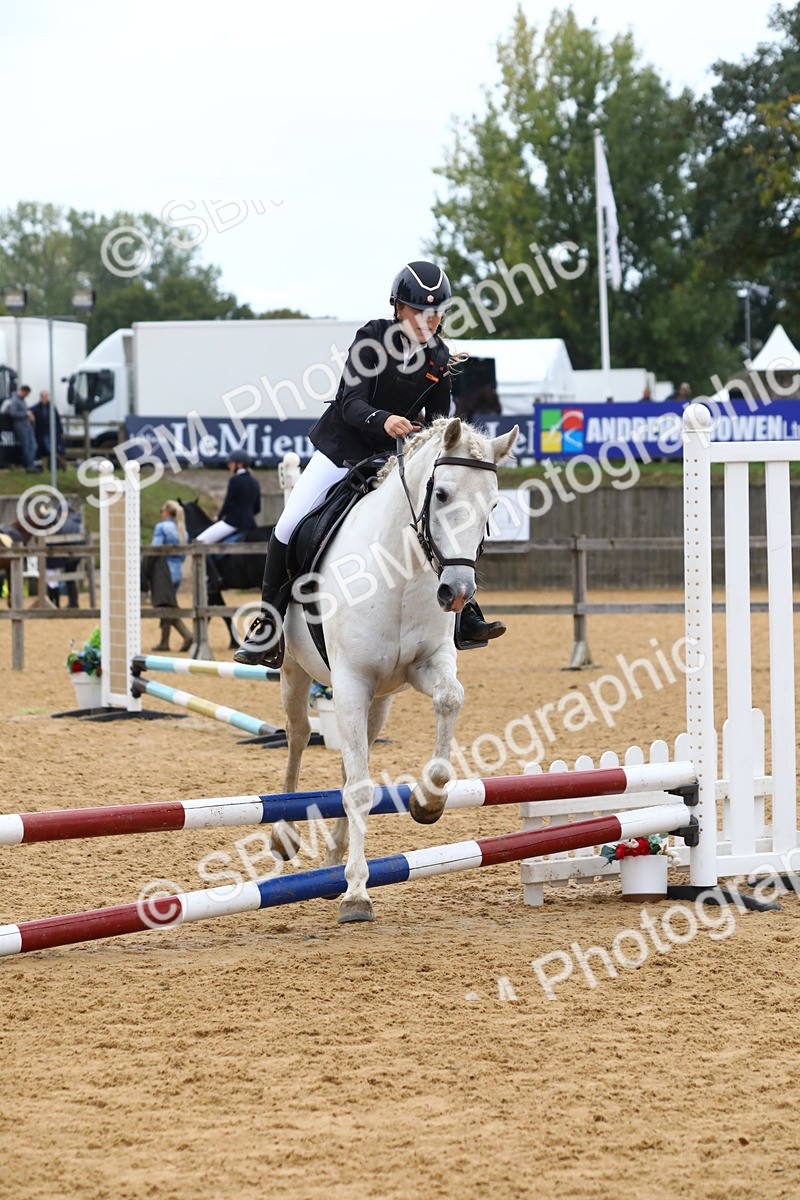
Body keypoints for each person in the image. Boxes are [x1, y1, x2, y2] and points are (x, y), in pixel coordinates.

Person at [235, 260, 506, 669]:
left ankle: (464, 612)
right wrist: (384, 421)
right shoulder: (372, 339)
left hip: (394, 460)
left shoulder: (438, 357)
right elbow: (350, 401)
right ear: (398, 308)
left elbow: (437, 424)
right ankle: (268, 628)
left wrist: (422, 443)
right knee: (287, 527)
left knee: (436, 518)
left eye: (435, 313)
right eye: (419, 311)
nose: (428, 321)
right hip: (343, 450)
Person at [150, 500, 192, 651]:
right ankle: (164, 642)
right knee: (167, 605)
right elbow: (182, 556)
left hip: (164, 572)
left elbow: (155, 550)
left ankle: (187, 635)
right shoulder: (183, 530)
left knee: (165, 606)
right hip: (177, 571)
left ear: (167, 512)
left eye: (162, 510)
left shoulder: (161, 527)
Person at [195, 450, 261, 544]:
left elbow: (228, 503)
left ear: (239, 464)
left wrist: (218, 517)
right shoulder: (255, 482)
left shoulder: (235, 480)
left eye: (231, 463)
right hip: (250, 524)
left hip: (232, 523)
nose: (229, 466)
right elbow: (257, 508)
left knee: (200, 541)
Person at [8, 385, 42, 472]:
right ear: (23, 391)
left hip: (27, 425)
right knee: (26, 446)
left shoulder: (23, 401)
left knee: (34, 445)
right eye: (26, 394)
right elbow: (13, 413)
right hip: (20, 426)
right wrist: (26, 414)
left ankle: (31, 463)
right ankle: (29, 465)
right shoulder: (15, 400)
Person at [31, 389, 67, 470]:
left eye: (46, 396)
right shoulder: (37, 407)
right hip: (41, 432)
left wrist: (61, 431)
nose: (44, 398)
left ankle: (56, 465)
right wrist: (30, 414)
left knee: (52, 448)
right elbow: (30, 410)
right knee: (45, 449)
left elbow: (57, 420)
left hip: (51, 432)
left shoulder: (52, 407)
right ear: (40, 397)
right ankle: (59, 463)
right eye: (43, 396)